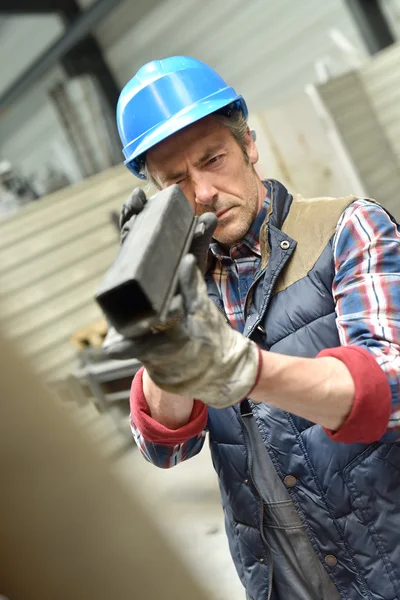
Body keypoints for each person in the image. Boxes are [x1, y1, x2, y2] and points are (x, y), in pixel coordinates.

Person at [104, 56, 400, 600]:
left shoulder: (346, 229)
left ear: (249, 145)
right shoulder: (187, 284)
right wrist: (161, 326)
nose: (204, 192)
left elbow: (392, 386)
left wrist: (241, 370)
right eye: (176, 181)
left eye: (213, 159)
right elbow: (165, 448)